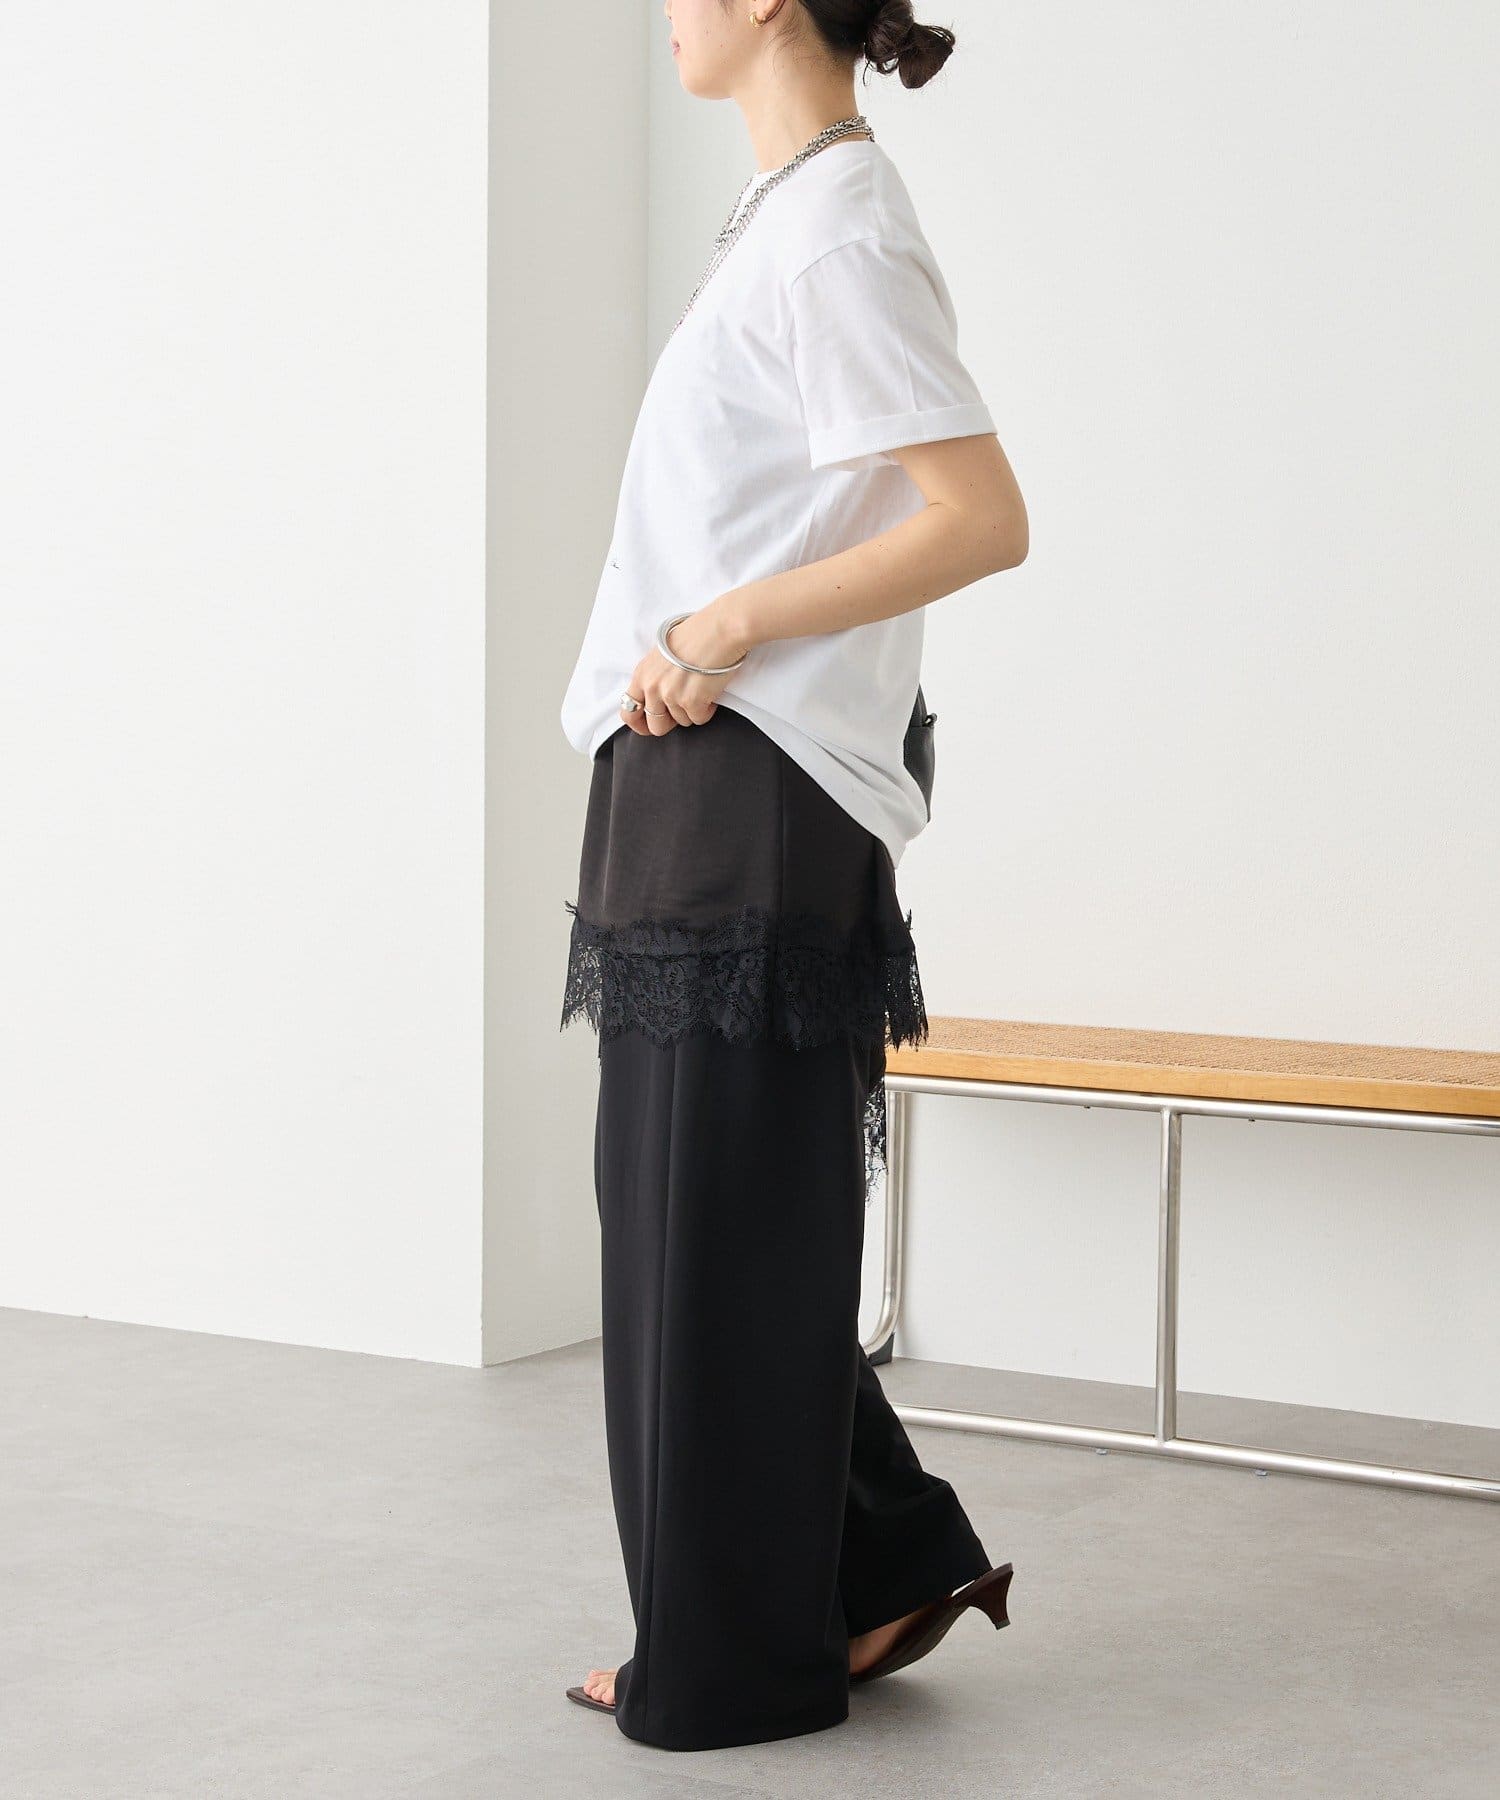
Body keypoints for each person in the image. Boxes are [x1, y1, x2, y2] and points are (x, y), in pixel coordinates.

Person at [557, 0, 1029, 1754]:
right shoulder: (790, 213)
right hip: (696, 775)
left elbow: (979, 514)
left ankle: (732, 1661)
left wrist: (729, 625)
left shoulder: (834, 226)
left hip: (749, 782)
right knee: (700, 1218)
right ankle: (872, 1564)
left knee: (712, 1230)